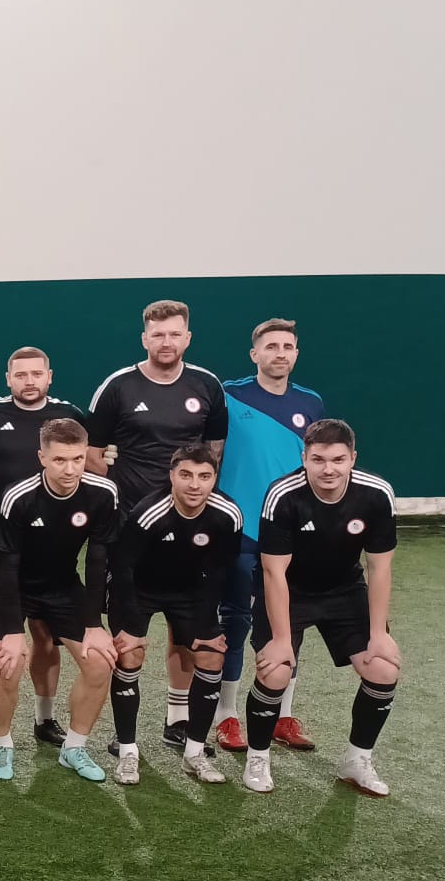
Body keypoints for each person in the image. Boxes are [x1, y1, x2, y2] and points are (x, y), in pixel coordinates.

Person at [86, 300, 227, 750]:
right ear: (144, 338)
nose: (167, 342)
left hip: (189, 530)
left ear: (188, 337)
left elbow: (214, 452)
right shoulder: (118, 387)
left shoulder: (207, 386)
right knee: (129, 635)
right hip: (131, 530)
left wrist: (195, 498)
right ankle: (122, 733)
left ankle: (177, 716)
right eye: (158, 334)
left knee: (186, 631)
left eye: (175, 334)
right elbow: (92, 454)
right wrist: (116, 496)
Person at [247, 419, 400, 797]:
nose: (328, 469)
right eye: (318, 459)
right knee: (276, 671)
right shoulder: (283, 495)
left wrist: (378, 634)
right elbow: (273, 572)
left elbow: (379, 567)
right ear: (304, 458)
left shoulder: (377, 494)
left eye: (337, 460)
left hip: (343, 589)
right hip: (289, 589)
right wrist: (281, 639)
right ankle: (258, 756)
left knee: (383, 667)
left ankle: (357, 760)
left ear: (353, 459)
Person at [0, 345, 87, 749]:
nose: (29, 381)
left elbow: (95, 455)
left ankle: (44, 718)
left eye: (36, 374)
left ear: (49, 376)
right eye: (20, 374)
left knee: (46, 636)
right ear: (8, 379)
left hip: (52, 544)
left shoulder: (70, 415)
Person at [0, 418, 121, 783]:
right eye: (60, 460)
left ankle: (73, 748)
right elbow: (7, 568)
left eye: (77, 459)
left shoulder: (103, 493)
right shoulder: (18, 497)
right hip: (12, 588)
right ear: (42, 457)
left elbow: (98, 560)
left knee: (100, 663)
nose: (70, 469)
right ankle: (1, 744)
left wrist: (94, 625)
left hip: (63, 586)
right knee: (7, 662)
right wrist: (13, 631)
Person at [213, 318, 327, 753]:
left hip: (291, 533)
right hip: (240, 530)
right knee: (235, 621)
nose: (280, 353)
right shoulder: (229, 395)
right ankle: (226, 716)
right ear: (254, 354)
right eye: (272, 346)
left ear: (296, 353)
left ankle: (282, 716)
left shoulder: (311, 403)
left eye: (288, 347)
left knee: (288, 624)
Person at [107, 446, 242, 786]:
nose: (195, 485)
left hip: (190, 591)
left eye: (204, 476)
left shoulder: (228, 514)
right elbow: (122, 569)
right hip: (139, 587)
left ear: (214, 479)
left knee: (211, 656)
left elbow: (220, 571)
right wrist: (132, 627)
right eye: (186, 475)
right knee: (129, 654)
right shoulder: (148, 512)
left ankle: (194, 753)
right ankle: (127, 750)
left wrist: (206, 626)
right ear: (171, 476)